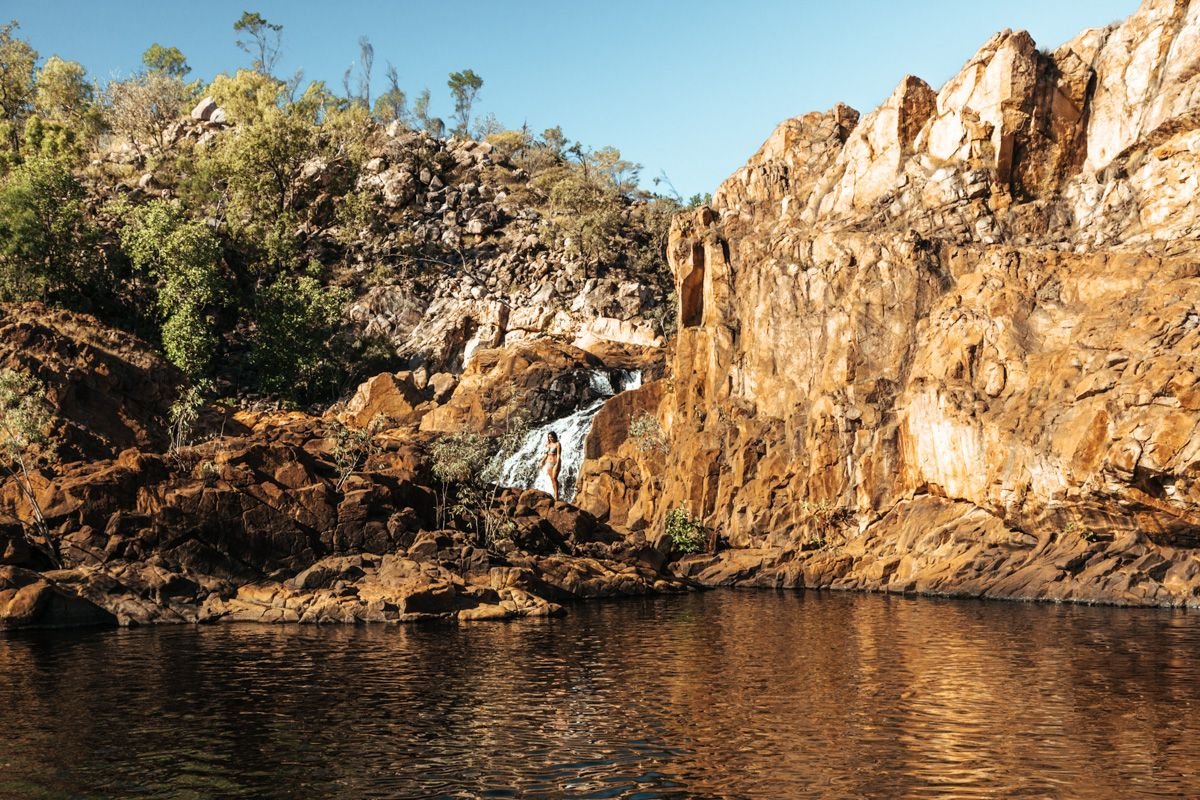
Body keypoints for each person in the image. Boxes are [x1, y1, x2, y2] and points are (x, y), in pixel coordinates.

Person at [540, 431, 561, 501]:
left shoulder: (558, 444)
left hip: (555, 463)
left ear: (554, 436)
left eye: (551, 437)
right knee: (552, 479)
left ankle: (557, 495)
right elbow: (546, 454)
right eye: (549, 437)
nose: (550, 438)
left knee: (555, 478)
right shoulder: (548, 444)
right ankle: (555, 494)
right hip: (548, 463)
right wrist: (542, 461)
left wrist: (558, 463)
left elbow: (558, 455)